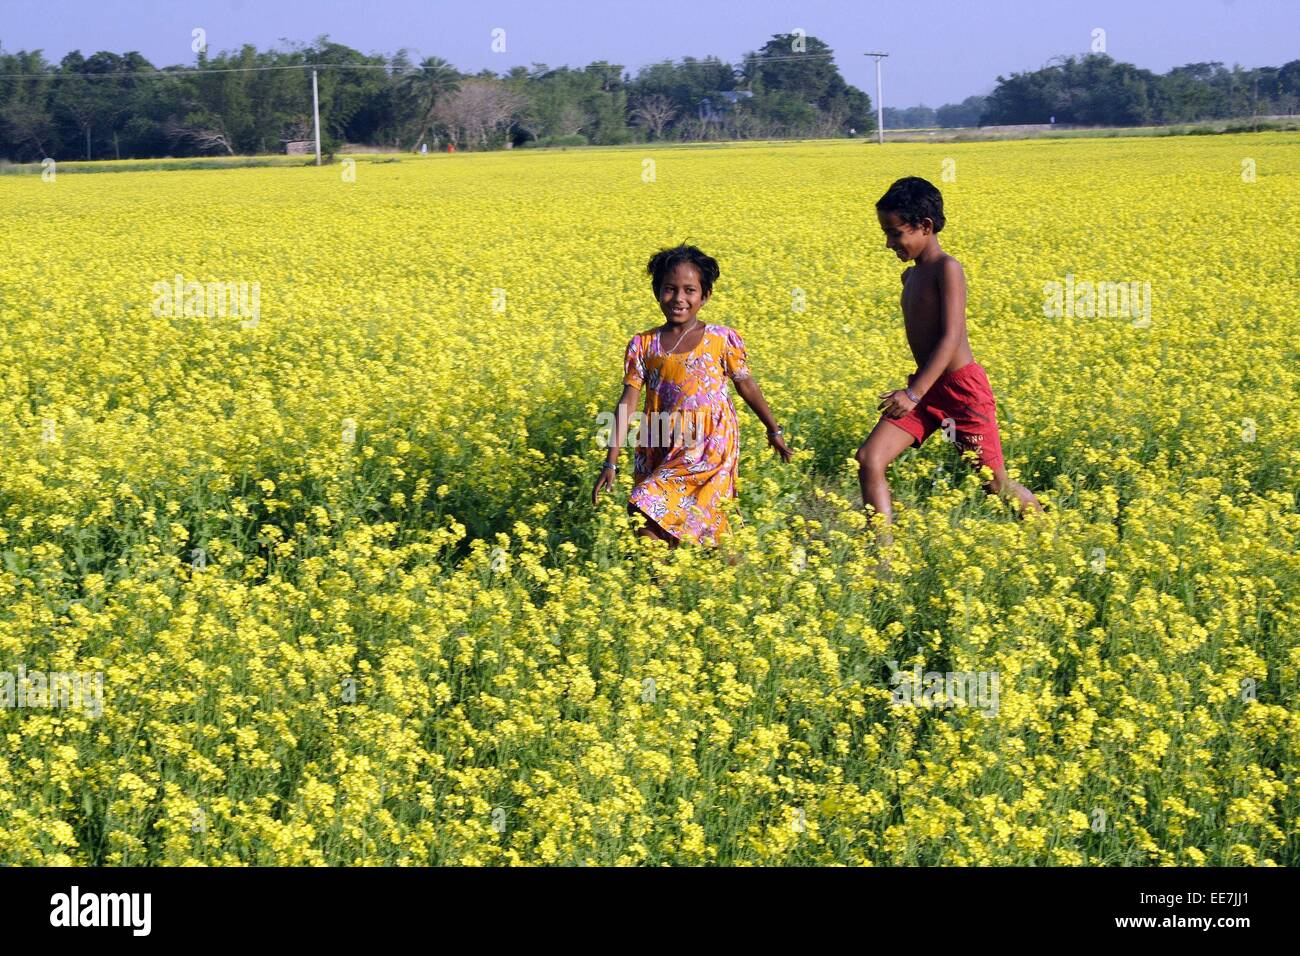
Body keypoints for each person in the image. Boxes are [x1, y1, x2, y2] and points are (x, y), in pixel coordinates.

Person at [857, 177, 1043, 549]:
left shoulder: (948, 269)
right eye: (886, 234)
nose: (889, 243)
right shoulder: (910, 275)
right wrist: (918, 392)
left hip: (959, 390)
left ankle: (1045, 538)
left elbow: (951, 337)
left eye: (895, 234)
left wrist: (912, 392)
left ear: (925, 226)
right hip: (926, 389)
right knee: (869, 459)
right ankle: (880, 558)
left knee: (994, 482)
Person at [592, 244, 792, 552]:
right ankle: (671, 586)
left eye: (690, 290)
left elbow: (746, 385)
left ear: (705, 296)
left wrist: (773, 429)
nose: (679, 299)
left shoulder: (721, 339)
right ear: (657, 291)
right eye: (670, 289)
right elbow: (627, 402)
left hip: (710, 445)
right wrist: (611, 461)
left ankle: (693, 584)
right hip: (659, 438)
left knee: (648, 504)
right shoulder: (643, 345)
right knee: (660, 518)